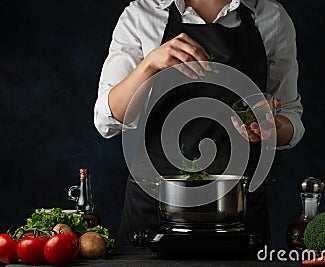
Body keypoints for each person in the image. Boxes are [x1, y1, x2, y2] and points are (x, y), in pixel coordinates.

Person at [94, 0, 305, 247]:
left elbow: (290, 117)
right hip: (155, 204)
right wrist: (150, 64)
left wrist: (271, 127)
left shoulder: (271, 17)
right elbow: (107, 120)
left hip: (236, 209)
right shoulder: (142, 14)